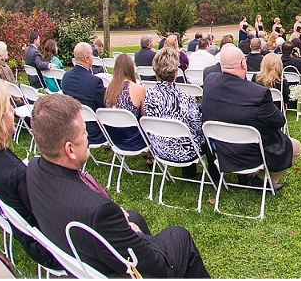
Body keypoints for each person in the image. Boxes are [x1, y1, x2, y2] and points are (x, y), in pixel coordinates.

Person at [27, 93, 210, 277]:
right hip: (110, 271)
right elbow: (159, 269)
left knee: (134, 217)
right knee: (179, 237)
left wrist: (122, 227)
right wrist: (137, 236)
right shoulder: (98, 212)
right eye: (83, 132)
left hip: (80, 250)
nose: (87, 135)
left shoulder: (34, 168)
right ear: (70, 149)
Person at [0, 80, 60, 269]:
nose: (13, 110)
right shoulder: (16, 174)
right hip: (48, 248)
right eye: (8, 108)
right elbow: (47, 218)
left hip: (25, 232)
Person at [201, 45, 301, 190]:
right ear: (243, 63)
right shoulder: (258, 94)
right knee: (295, 146)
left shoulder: (209, 81)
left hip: (220, 150)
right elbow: (279, 120)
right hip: (249, 154)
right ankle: (261, 180)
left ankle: (247, 176)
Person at [144, 47, 216, 180]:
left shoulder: (148, 94)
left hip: (159, 148)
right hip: (185, 153)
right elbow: (197, 127)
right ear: (176, 72)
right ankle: (214, 174)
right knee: (206, 135)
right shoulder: (184, 97)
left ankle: (190, 171)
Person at [103, 54, 149, 160]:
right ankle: (150, 156)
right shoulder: (138, 88)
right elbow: (144, 116)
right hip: (134, 141)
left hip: (114, 139)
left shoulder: (109, 89)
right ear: (130, 68)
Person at [61, 42, 106, 144]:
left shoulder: (66, 77)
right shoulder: (95, 82)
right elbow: (103, 106)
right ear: (86, 58)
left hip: (73, 126)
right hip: (94, 132)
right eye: (91, 55)